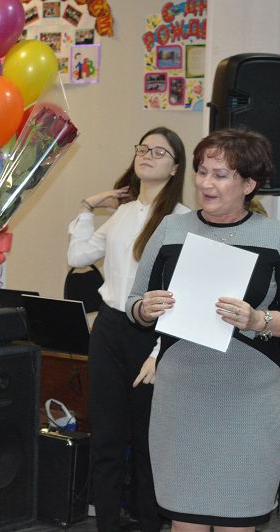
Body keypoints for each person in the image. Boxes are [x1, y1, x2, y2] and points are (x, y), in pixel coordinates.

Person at [127, 128, 280, 531]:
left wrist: (258, 320)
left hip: (250, 397)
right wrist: (145, 309)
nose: (206, 183)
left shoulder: (275, 236)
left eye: (221, 175)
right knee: (185, 521)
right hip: (182, 396)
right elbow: (135, 303)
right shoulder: (171, 229)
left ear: (249, 184)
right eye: (202, 172)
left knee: (238, 521)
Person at [68, 127, 188, 532]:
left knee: (148, 440)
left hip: (153, 335)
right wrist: (89, 206)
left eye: (159, 152)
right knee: (106, 436)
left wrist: (159, 351)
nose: (147, 155)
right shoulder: (122, 213)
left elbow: (182, 292)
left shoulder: (181, 220)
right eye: (143, 148)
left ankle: (150, 522)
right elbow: (78, 255)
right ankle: (107, 523)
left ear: (175, 168)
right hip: (109, 328)